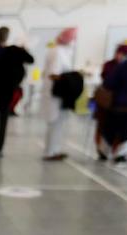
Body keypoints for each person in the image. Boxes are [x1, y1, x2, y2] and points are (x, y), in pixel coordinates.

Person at [0, 26, 33, 157]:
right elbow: (30, 60)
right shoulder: (15, 51)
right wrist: (24, 49)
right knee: (3, 118)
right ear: (7, 37)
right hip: (6, 90)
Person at [42, 27, 78, 161]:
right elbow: (54, 74)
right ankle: (50, 152)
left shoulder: (60, 51)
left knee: (58, 124)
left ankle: (54, 150)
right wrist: (72, 79)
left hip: (59, 94)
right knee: (55, 123)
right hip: (55, 94)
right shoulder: (57, 52)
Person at [95, 44, 127, 159]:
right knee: (105, 127)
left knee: (123, 129)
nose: (120, 56)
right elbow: (106, 80)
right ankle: (103, 151)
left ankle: (119, 153)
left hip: (123, 103)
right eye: (119, 53)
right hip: (107, 102)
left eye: (124, 54)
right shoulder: (109, 65)